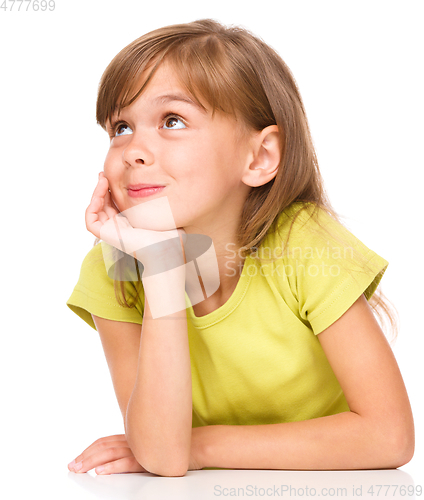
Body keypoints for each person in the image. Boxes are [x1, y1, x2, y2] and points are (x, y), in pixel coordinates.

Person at [66, 19, 414, 477]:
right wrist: (163, 271)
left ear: (259, 157)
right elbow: (164, 458)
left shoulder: (304, 244)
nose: (133, 150)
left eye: (172, 121)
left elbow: (389, 437)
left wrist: (201, 446)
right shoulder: (112, 268)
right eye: (121, 127)